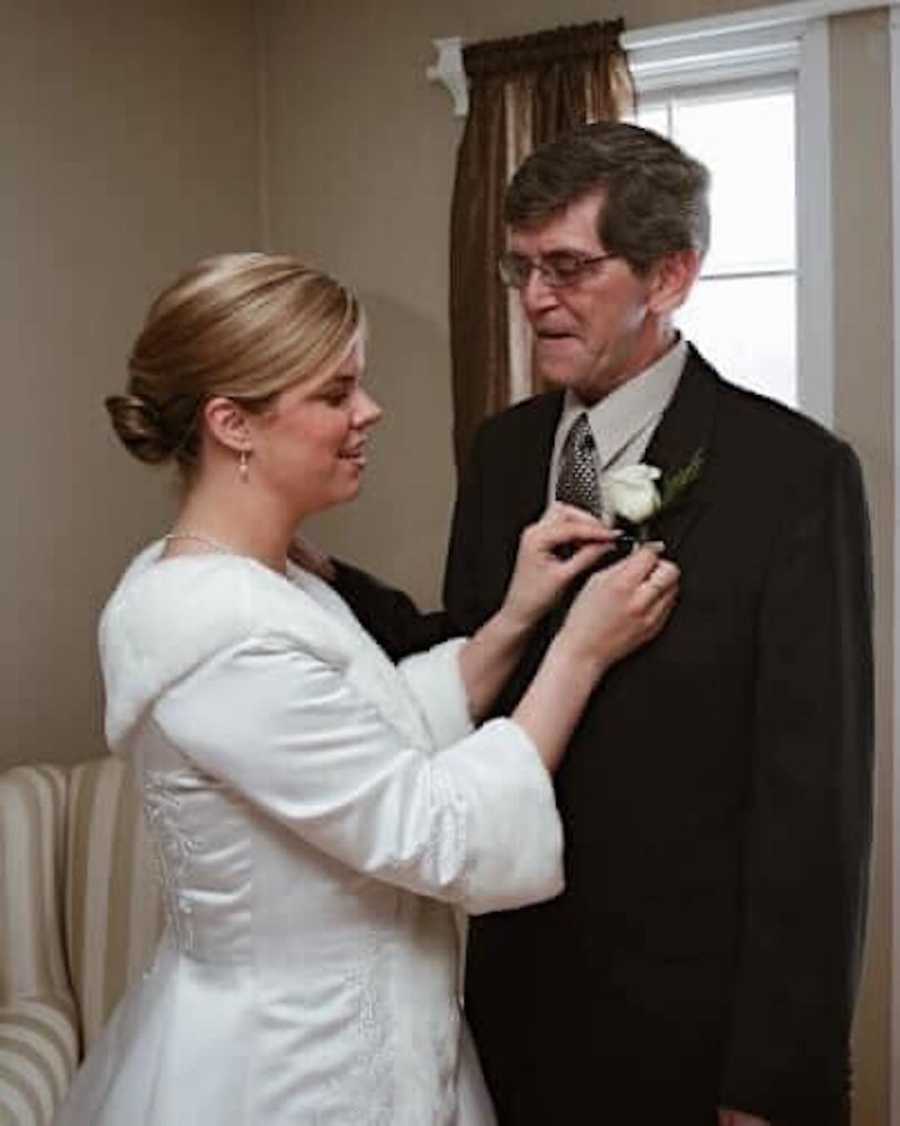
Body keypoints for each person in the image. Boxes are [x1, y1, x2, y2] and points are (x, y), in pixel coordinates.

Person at [54, 252, 679, 1126]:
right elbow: (438, 832)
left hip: (374, 1036)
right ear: (234, 423)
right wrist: (577, 651)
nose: (369, 411)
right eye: (335, 392)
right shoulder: (215, 631)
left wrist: (513, 620)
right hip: (296, 1070)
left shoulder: (273, 585)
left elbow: (370, 734)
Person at [336, 122, 874, 1126]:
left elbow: (815, 808)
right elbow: (474, 655)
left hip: (690, 1034)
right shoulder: (502, 453)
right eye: (523, 266)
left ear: (668, 276)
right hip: (510, 1009)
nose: (536, 297)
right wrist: (309, 569)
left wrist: (772, 1082)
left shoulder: (793, 475)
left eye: (570, 268)